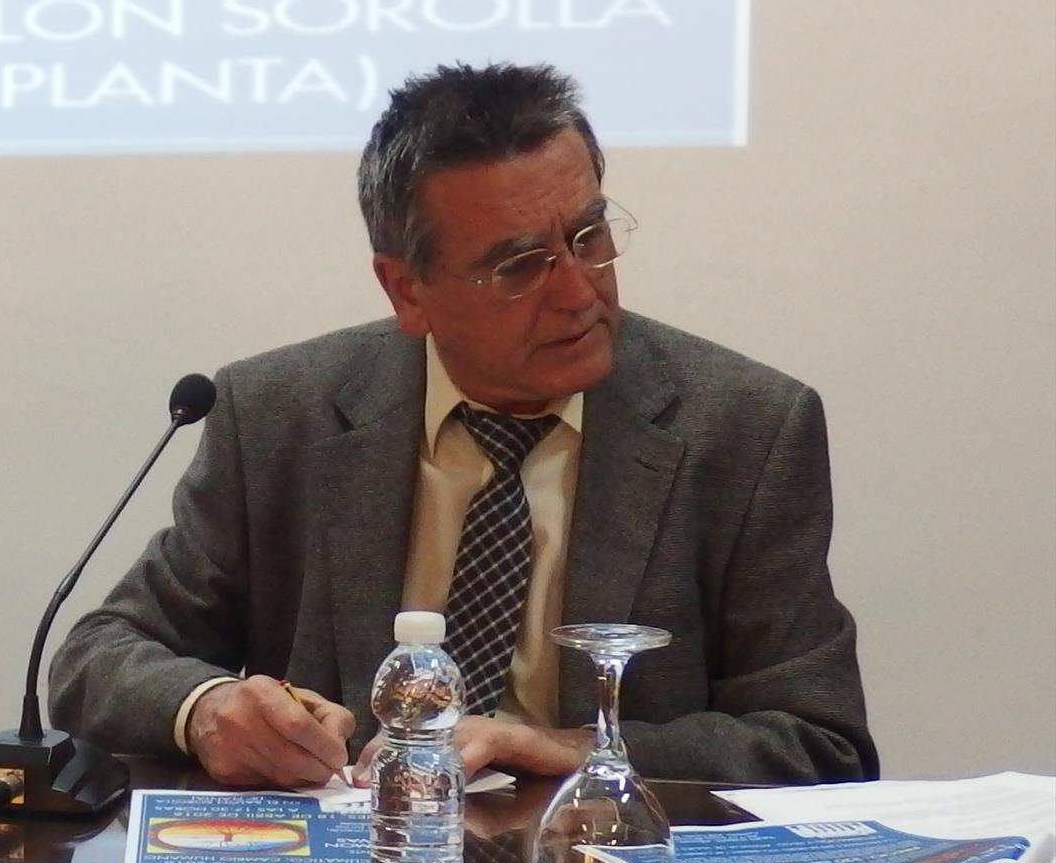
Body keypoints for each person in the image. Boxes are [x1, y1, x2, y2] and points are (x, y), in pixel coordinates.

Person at [49, 62, 872, 788]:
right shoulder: (278, 415)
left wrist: (566, 748)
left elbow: (816, 742)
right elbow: (96, 658)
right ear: (406, 290)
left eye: (588, 237)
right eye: (519, 266)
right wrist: (207, 708)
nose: (578, 292)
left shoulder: (744, 430)